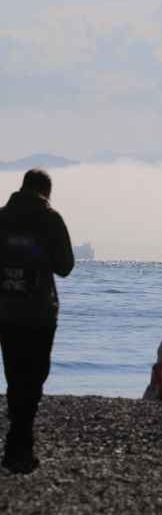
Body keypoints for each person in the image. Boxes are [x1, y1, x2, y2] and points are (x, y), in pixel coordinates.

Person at [0, 169, 74, 474]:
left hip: (5, 311)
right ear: (47, 191)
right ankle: (17, 449)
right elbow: (65, 266)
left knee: (16, 377)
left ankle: (19, 444)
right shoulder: (50, 219)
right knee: (34, 379)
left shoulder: (1, 217)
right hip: (40, 314)